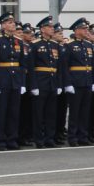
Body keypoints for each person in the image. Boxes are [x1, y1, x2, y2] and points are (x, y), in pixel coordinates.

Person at [0, 12, 26, 151]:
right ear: (3, 25)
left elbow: (22, 65)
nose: (13, 24)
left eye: (13, 22)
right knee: (2, 112)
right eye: (9, 22)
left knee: (14, 112)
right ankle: (1, 140)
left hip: (15, 80)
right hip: (2, 80)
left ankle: (12, 139)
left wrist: (22, 83)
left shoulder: (18, 41)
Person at [28, 16, 61, 148]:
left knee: (51, 113)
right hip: (40, 83)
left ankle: (49, 138)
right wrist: (33, 85)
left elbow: (58, 67)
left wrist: (59, 84)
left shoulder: (54, 45)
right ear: (42, 29)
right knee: (38, 114)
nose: (52, 29)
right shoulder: (35, 45)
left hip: (52, 82)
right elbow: (31, 67)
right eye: (49, 27)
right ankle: (39, 139)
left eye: (52, 27)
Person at [62, 17, 94, 146]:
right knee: (75, 112)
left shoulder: (88, 45)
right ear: (76, 30)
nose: (86, 30)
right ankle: (72, 137)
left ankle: (83, 136)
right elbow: (65, 66)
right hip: (75, 82)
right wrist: (68, 84)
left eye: (87, 28)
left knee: (85, 111)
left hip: (87, 81)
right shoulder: (69, 46)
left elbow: (92, 65)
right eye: (83, 28)